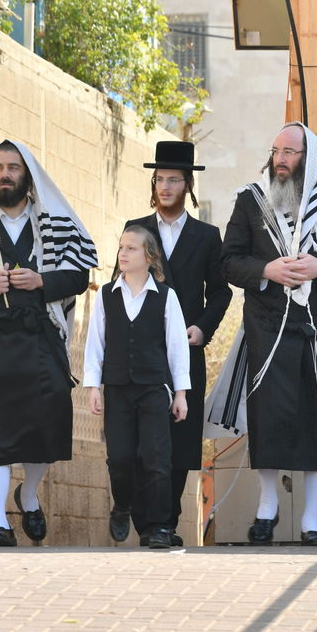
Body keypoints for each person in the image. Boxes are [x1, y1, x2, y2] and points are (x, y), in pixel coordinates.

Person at [216, 122, 317, 545]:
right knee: (270, 418)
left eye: (289, 152)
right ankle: (266, 509)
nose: (280, 160)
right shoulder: (252, 198)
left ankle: (312, 521)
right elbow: (229, 261)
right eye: (276, 151)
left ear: (310, 158)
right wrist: (266, 269)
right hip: (268, 326)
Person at [0, 140, 96, 547]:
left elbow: (78, 274)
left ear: (27, 174)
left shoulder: (54, 221)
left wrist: (42, 282)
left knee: (46, 426)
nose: (5, 174)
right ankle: (0, 522)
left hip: (41, 335)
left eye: (13, 167)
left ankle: (30, 494)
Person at [124, 140, 231, 547]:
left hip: (187, 347)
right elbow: (121, 285)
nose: (165, 186)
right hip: (141, 349)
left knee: (180, 436)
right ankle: (147, 518)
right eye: (160, 179)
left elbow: (220, 293)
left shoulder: (207, 236)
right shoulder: (136, 230)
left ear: (188, 185)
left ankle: (166, 520)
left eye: (174, 179)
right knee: (139, 437)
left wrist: (203, 328)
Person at [83, 226, 190, 550]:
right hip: (117, 388)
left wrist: (181, 393)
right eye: (121, 248)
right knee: (120, 457)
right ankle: (123, 504)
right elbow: (95, 344)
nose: (123, 254)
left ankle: (158, 526)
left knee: (157, 457)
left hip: (154, 387)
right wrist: (93, 387)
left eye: (131, 248)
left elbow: (176, 347)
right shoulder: (105, 295)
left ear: (149, 256)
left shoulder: (166, 296)